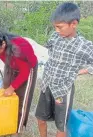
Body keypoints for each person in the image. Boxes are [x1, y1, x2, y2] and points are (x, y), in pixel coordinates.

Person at [35, 2, 93, 137]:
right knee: (40, 118)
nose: (56, 30)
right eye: (55, 27)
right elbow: (49, 47)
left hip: (62, 90)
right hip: (46, 85)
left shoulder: (83, 46)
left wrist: (83, 70)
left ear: (74, 24)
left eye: (60, 27)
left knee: (61, 126)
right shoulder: (55, 36)